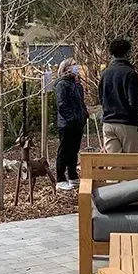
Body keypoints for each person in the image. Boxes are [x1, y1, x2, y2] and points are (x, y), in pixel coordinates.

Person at [98, 38, 138, 153]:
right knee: (130, 164)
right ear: (127, 53)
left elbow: (101, 98)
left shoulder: (105, 73)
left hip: (108, 122)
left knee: (114, 164)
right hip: (127, 123)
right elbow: (134, 101)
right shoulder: (130, 73)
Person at [53, 57, 87, 190]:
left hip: (78, 123)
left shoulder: (77, 85)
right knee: (64, 151)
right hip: (66, 124)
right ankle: (60, 178)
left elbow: (81, 103)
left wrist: (84, 115)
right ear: (66, 68)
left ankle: (72, 175)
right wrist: (72, 118)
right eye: (73, 65)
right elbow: (62, 105)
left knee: (74, 150)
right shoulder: (62, 84)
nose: (76, 67)